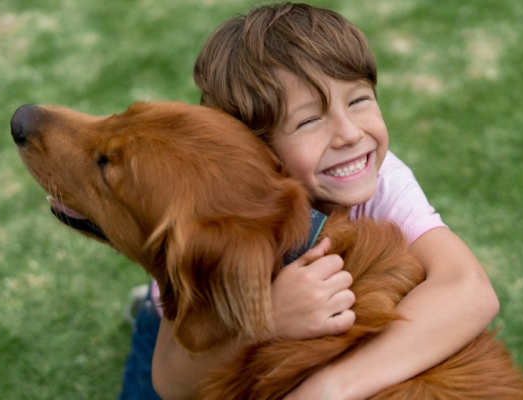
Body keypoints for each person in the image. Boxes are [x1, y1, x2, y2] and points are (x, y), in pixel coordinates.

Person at [120, 3, 499, 399]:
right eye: (309, 121)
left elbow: (469, 290)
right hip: (200, 326)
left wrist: (330, 389)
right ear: (258, 151)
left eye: (358, 101)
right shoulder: (210, 216)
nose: (350, 134)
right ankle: (150, 311)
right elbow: (170, 382)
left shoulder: (384, 180)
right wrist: (264, 322)